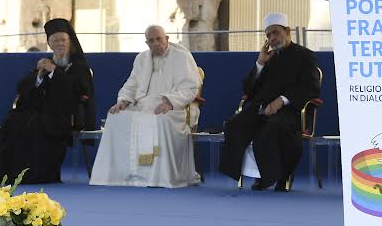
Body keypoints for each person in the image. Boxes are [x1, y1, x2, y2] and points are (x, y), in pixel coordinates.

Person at [89, 25, 201, 188]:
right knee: (115, 117)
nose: (156, 43)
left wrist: (170, 102)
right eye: (151, 41)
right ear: (147, 43)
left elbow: (190, 88)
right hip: (142, 105)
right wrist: (123, 101)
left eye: (159, 39)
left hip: (173, 107)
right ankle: (118, 176)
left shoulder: (182, 57)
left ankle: (158, 178)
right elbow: (132, 84)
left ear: (167, 38)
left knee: (160, 120)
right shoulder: (141, 59)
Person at [219, 12, 320, 191]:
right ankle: (250, 174)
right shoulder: (268, 58)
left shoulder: (305, 56)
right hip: (262, 109)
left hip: (291, 111)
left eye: (275, 32)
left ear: (287, 31)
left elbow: (310, 88)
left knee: (271, 128)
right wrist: (259, 64)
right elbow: (248, 90)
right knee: (234, 124)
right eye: (268, 35)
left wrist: (282, 101)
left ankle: (277, 177)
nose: (272, 38)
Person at [0, 19, 94, 185]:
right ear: (50, 44)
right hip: (40, 111)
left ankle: (36, 175)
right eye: (56, 40)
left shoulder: (79, 65)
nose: (60, 44)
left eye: (63, 40)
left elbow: (80, 90)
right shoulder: (47, 62)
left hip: (64, 115)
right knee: (12, 122)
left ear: (69, 42)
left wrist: (55, 72)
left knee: (36, 125)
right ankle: (9, 175)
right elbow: (23, 86)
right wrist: (39, 76)